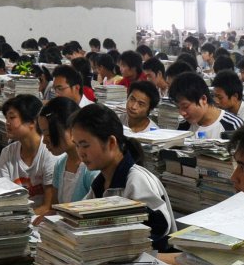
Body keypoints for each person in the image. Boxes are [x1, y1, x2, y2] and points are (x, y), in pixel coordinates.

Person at [71, 104, 175, 251]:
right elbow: (79, 218)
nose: (80, 153)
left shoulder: (136, 180)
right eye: (76, 146)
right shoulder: (100, 183)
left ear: (111, 142)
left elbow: (158, 228)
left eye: (85, 145)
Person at [0, 94, 54, 214]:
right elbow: (3, 198)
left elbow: (48, 207)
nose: (7, 123)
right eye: (6, 118)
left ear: (32, 123)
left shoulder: (49, 152)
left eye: (12, 118)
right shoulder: (7, 153)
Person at [39, 97, 95, 208]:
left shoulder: (91, 169)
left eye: (49, 134)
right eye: (43, 134)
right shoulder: (60, 165)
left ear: (71, 129)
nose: (44, 140)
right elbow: (54, 208)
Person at [170, 72, 243, 139]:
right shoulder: (183, 126)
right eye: (178, 107)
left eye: (185, 106)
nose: (182, 113)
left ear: (203, 99)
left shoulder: (232, 125)